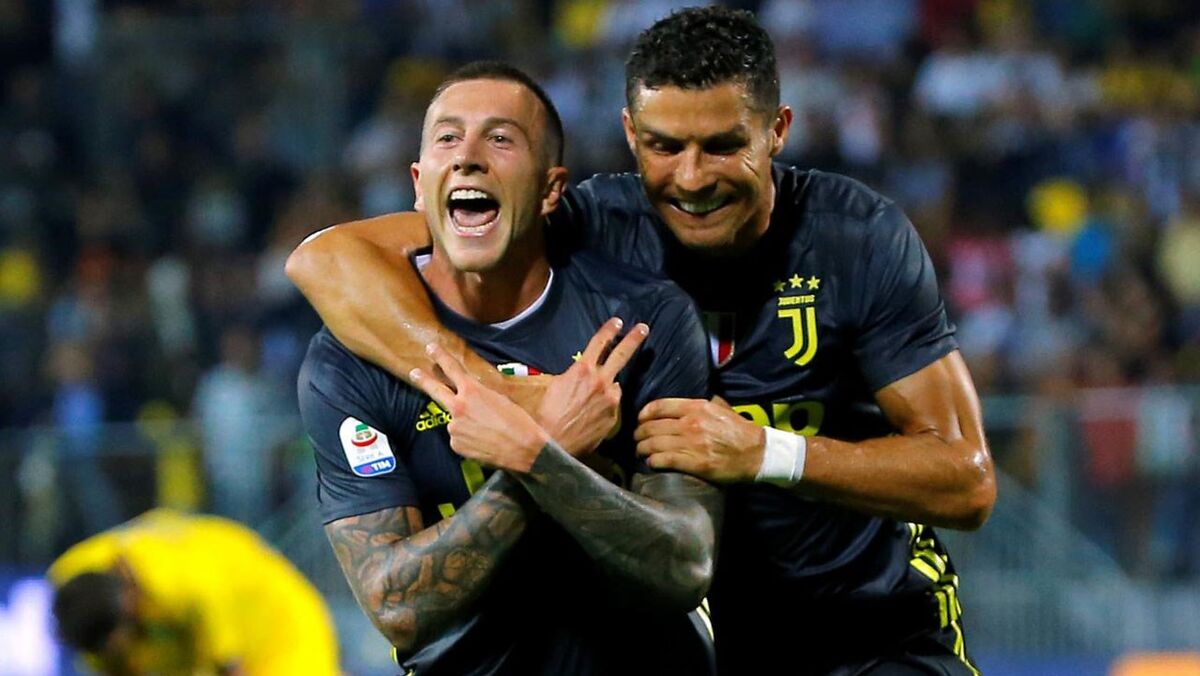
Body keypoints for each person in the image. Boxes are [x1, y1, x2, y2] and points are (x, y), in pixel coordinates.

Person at [286, 8, 995, 675]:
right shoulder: (589, 224)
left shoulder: (857, 238)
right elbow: (326, 259)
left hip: (871, 630)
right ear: (631, 134)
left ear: (777, 130)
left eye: (723, 146)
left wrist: (766, 453)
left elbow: (966, 480)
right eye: (665, 147)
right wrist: (496, 394)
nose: (692, 177)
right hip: (713, 643)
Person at [296, 61, 723, 675]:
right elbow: (396, 606)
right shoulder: (351, 358)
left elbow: (685, 567)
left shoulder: (643, 320)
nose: (467, 158)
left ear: (551, 190)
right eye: (448, 137)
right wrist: (543, 450)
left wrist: (534, 455)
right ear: (418, 183)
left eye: (500, 138)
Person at [47, 508, 339, 676]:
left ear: (129, 605)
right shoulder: (69, 575)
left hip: (278, 626)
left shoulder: (191, 589)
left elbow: (230, 668)